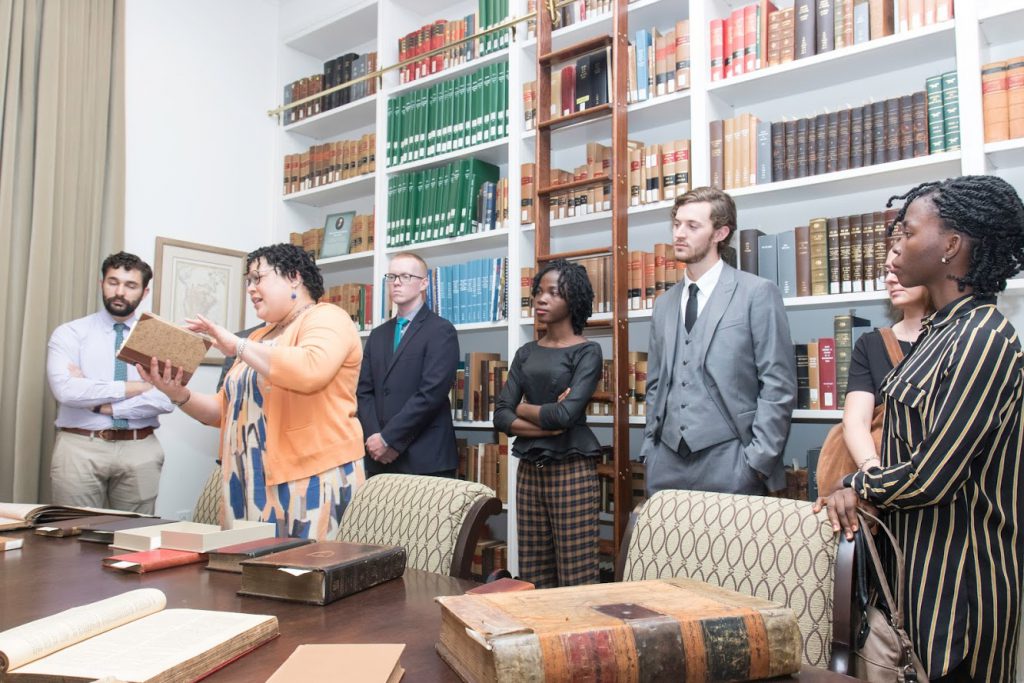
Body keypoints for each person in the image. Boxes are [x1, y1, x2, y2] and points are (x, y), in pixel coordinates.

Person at [815, 175, 1024, 683]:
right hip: (920, 574)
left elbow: (933, 476)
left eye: (908, 232)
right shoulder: (942, 329)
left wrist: (855, 483)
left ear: (950, 246)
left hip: (962, 588)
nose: (897, 243)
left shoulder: (983, 337)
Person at [141, 243, 365, 540]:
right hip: (247, 483)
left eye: (258, 278)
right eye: (248, 281)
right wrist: (178, 393)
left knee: (301, 576)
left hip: (309, 480)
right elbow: (223, 411)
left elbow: (311, 368)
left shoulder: (328, 317)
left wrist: (238, 346)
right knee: (244, 579)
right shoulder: (259, 336)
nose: (250, 288)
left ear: (294, 277)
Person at [642, 186, 796, 497]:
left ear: (720, 233)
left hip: (734, 462)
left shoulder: (756, 293)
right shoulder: (664, 304)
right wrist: (650, 450)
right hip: (666, 463)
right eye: (676, 223)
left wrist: (756, 462)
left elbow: (778, 385)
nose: (679, 234)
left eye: (692, 226)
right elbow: (656, 384)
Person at [493, 259, 603, 588]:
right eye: (539, 291)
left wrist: (523, 409)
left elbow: (566, 416)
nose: (541, 299)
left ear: (574, 301)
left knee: (577, 575)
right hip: (529, 469)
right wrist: (545, 420)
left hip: (571, 468)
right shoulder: (526, 352)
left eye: (554, 293)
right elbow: (501, 414)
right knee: (532, 573)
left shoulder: (588, 352)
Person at [46, 252, 173, 514]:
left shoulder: (160, 338)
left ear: (144, 292)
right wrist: (139, 386)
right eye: (113, 282)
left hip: (141, 449)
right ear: (101, 283)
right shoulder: (70, 333)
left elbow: (167, 398)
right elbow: (67, 391)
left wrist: (102, 406)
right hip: (80, 448)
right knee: (73, 536)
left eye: (130, 285)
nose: (120, 292)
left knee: (136, 538)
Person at [357, 252, 460, 477]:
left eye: (405, 276)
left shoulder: (441, 331)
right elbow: (364, 392)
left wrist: (389, 439)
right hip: (378, 458)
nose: (396, 282)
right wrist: (375, 439)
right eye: (391, 276)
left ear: (423, 283)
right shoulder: (377, 335)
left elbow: (431, 394)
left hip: (424, 458)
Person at [840, 248, 933, 475]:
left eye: (901, 269)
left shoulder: (960, 338)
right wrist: (874, 474)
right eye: (888, 271)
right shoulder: (871, 345)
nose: (890, 279)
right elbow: (855, 421)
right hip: (884, 473)